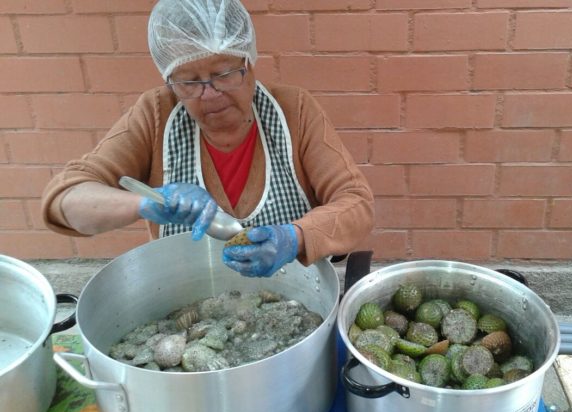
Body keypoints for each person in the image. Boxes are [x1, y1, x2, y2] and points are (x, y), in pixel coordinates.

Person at [40, 0, 374, 277]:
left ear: (250, 63)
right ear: (170, 80)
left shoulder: (294, 111)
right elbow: (65, 200)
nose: (210, 94)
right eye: (189, 81)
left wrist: (295, 237)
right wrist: (146, 203)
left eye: (224, 75)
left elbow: (357, 203)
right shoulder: (155, 114)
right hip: (188, 292)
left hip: (300, 289)